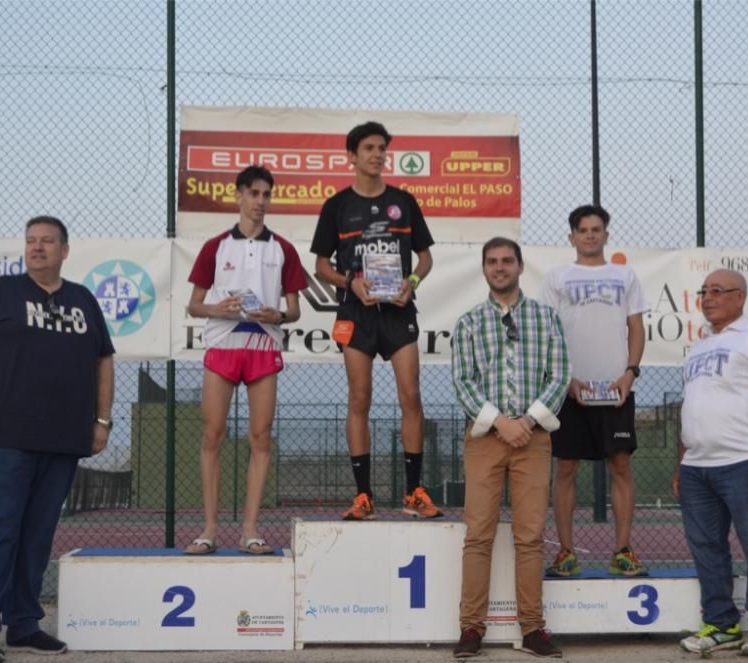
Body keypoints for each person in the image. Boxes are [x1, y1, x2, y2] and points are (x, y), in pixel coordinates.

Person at [0, 216, 115, 662]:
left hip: (64, 440)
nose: (37, 248)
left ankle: (24, 625)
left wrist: (101, 421)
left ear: (65, 250)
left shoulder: (83, 299)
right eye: (31, 242)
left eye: (47, 242)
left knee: (38, 536)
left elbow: (104, 360)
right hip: (5, 438)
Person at [310, 121, 442, 521]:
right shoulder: (336, 206)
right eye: (368, 147)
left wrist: (412, 281)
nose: (377, 154)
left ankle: (414, 492)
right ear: (351, 155)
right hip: (357, 312)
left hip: (399, 310)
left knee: (411, 396)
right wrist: (351, 280)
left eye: (382, 148)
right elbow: (320, 266)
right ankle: (363, 495)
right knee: (359, 399)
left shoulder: (404, 201)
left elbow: (425, 258)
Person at [452, 238, 570, 658]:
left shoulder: (546, 319)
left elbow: (559, 375)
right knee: (478, 535)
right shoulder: (467, 323)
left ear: (520, 266)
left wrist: (527, 421)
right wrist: (500, 421)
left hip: (533, 438)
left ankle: (533, 629)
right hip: (485, 438)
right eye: (492, 262)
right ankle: (470, 629)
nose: (499, 268)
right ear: (484, 268)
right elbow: (463, 381)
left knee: (531, 537)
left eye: (507, 261)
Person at [183, 165, 307, 555]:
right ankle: (209, 530)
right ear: (238, 196)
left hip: (262, 346)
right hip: (222, 344)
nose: (260, 202)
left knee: (260, 438)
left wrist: (279, 316)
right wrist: (217, 308)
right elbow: (193, 305)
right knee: (212, 435)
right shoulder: (215, 246)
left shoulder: (283, 249)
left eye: (266, 194)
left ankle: (250, 530)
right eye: (253, 193)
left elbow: (295, 310)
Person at [675, 269, 748, 660]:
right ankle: (722, 624)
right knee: (707, 548)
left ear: (740, 297)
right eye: (704, 292)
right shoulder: (698, 346)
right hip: (696, 468)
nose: (707, 298)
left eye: (717, 291)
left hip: (742, 462)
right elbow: (690, 408)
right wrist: (681, 463)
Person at [539, 204, 649, 577]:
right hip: (569, 390)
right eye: (582, 230)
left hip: (615, 389)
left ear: (605, 234)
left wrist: (630, 374)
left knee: (620, 464)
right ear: (571, 236)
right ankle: (566, 552)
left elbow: (636, 328)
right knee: (565, 467)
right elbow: (547, 333)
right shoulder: (556, 277)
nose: (589, 235)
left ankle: (622, 550)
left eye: (596, 229)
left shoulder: (625, 275)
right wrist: (565, 379)